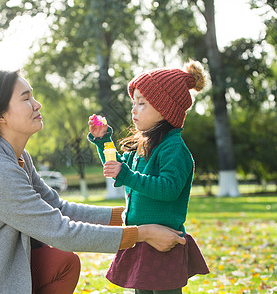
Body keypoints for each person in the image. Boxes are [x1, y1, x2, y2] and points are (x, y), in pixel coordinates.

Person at [0, 70, 187, 294]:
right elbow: (60, 230)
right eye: (26, 98)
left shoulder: (17, 157)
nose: (37, 104)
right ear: (0, 115)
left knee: (61, 263)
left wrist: (129, 215)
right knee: (60, 254)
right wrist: (142, 233)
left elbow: (57, 207)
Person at [88, 60, 210, 294]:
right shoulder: (142, 144)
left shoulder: (173, 148)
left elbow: (169, 188)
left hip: (163, 242)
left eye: (142, 103)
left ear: (165, 109)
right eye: (134, 102)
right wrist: (104, 141)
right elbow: (119, 169)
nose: (134, 109)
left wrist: (128, 175)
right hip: (141, 238)